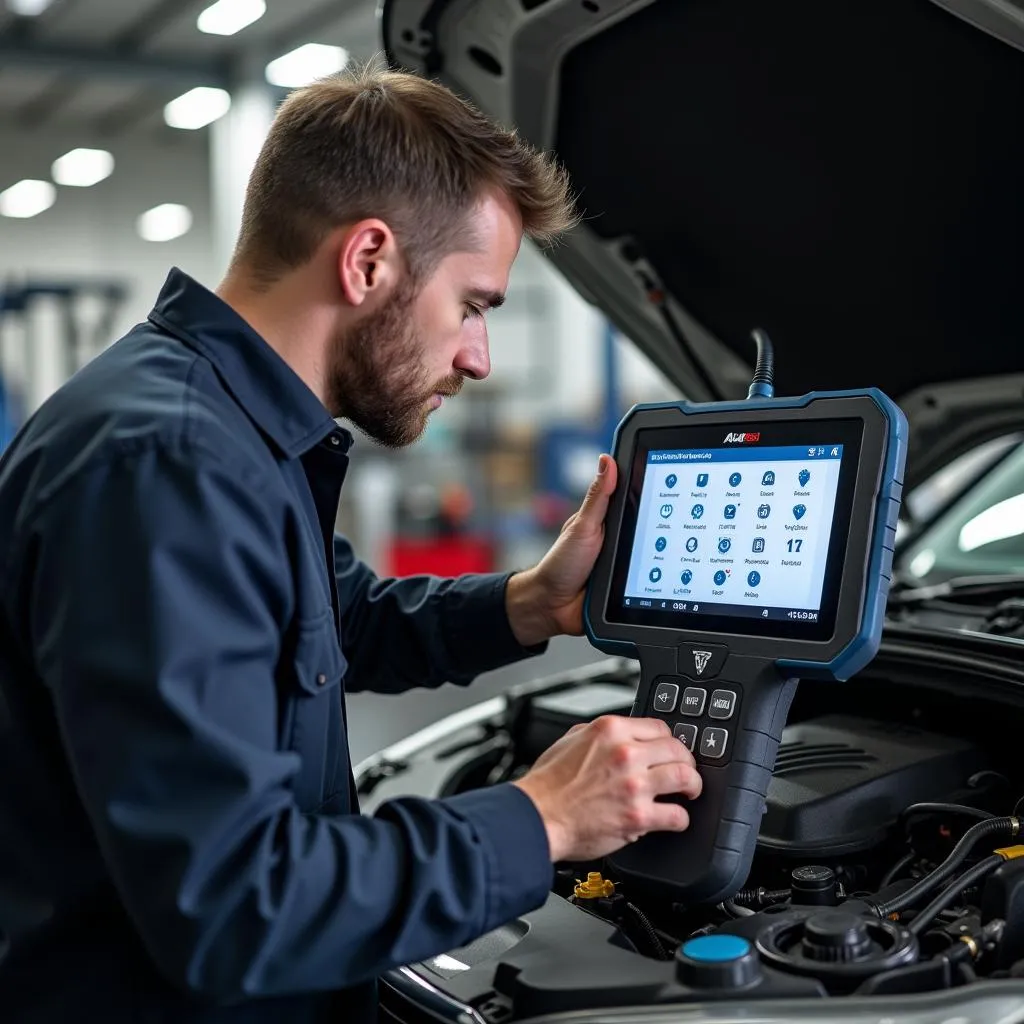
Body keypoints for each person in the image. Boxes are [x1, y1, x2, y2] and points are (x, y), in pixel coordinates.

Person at [0, 62, 702, 1023]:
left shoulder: (229, 433)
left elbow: (339, 618)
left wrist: (532, 602)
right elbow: (236, 902)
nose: (478, 357)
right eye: (474, 305)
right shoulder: (168, 464)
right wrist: (542, 816)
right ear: (368, 260)